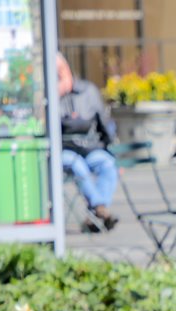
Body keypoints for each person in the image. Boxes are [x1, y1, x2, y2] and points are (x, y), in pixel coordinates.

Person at [56, 55, 118, 232]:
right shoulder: (48, 95)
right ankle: (100, 209)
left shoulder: (88, 91)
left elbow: (103, 122)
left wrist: (109, 146)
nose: (58, 76)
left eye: (61, 71)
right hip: (64, 150)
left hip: (89, 147)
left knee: (107, 163)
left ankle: (96, 214)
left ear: (67, 69)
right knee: (78, 166)